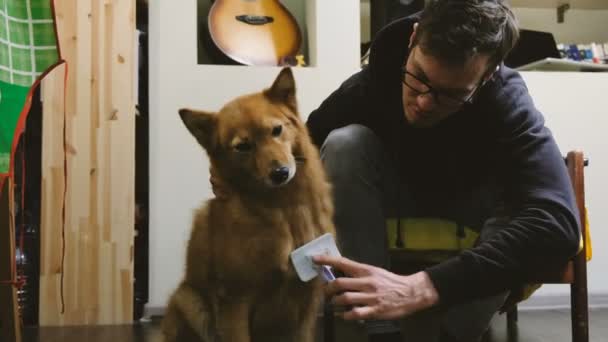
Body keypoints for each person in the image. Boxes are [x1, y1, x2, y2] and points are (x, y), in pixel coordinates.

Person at [307, 0, 580, 341]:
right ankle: (377, 332)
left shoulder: (507, 99)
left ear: (488, 75)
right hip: (394, 197)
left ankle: (451, 337)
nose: (423, 102)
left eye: (451, 94)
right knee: (345, 143)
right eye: (419, 77)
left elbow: (560, 224)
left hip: (473, 208)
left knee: (523, 205)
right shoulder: (373, 80)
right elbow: (298, 147)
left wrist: (423, 287)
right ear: (414, 37)